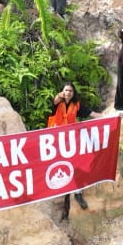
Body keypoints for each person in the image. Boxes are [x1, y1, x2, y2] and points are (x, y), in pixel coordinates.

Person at [46, 83, 89, 215]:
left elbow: (92, 113)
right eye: (66, 90)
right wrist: (61, 94)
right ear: (62, 91)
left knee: (76, 165)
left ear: (74, 93)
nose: (68, 93)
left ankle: (78, 193)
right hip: (55, 141)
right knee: (58, 166)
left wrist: (107, 117)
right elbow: (55, 100)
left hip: (70, 141)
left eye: (70, 91)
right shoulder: (57, 103)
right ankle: (61, 196)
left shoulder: (77, 105)